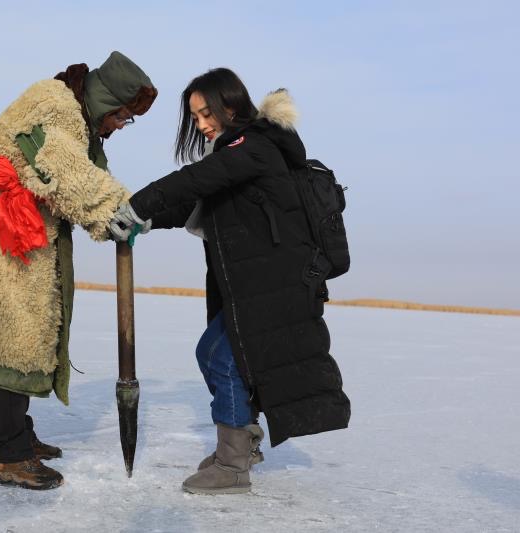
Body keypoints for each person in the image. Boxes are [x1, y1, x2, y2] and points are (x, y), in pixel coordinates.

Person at [110, 68, 350, 494]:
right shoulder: (234, 155)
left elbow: (194, 181)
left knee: (223, 357)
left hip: (277, 283)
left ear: (231, 105)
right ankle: (241, 445)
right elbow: (200, 201)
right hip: (259, 283)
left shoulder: (252, 145)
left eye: (206, 113)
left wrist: (137, 203)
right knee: (218, 356)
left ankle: (233, 464)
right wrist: (146, 220)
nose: (201, 124)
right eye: (195, 117)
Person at [0, 51, 157, 490]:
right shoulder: (54, 106)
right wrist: (112, 210)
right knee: (11, 340)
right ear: (108, 100)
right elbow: (59, 167)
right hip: (5, 233)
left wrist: (121, 206)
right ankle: (10, 455)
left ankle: (18, 435)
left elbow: (87, 171)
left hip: (23, 231)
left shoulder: (76, 116)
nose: (119, 127)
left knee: (23, 336)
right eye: (124, 117)